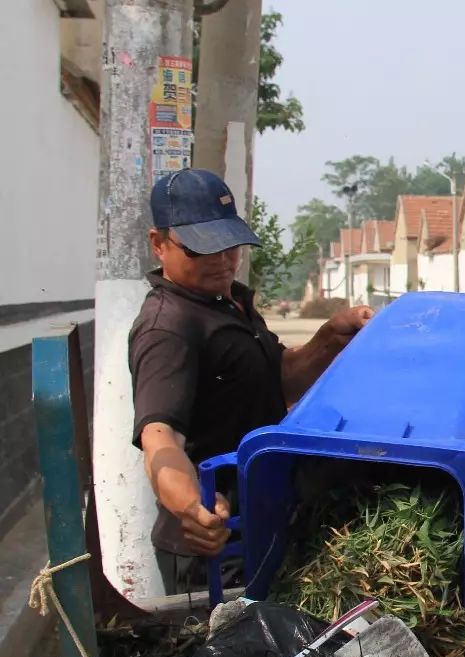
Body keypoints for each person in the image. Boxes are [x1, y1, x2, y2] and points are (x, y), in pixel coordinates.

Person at [129, 168, 373, 593]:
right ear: (159, 244)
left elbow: (276, 380)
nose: (221, 261)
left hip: (262, 521)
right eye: (202, 249)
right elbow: (158, 436)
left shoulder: (228, 303)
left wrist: (331, 337)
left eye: (229, 246)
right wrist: (193, 507)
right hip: (214, 547)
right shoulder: (167, 328)